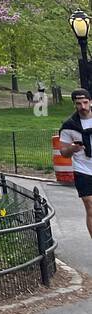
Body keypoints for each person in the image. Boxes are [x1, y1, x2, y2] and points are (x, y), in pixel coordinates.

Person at [58, 89, 92, 240]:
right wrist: (72, 148)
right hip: (83, 169)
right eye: (78, 104)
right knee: (90, 207)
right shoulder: (69, 125)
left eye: (85, 102)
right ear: (74, 105)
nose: (83, 106)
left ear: (90, 102)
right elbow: (64, 152)